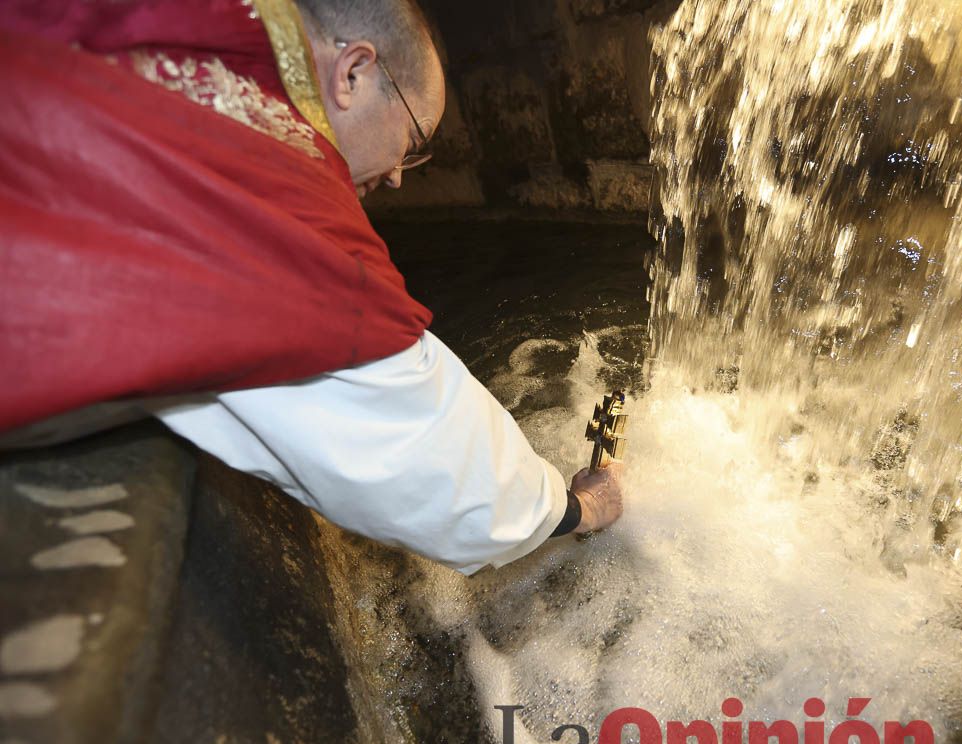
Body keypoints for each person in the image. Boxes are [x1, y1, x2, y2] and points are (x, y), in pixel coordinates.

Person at [0, 0, 624, 575]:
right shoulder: (273, 180)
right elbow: (427, 452)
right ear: (353, 72)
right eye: (413, 141)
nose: (401, 178)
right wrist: (574, 508)